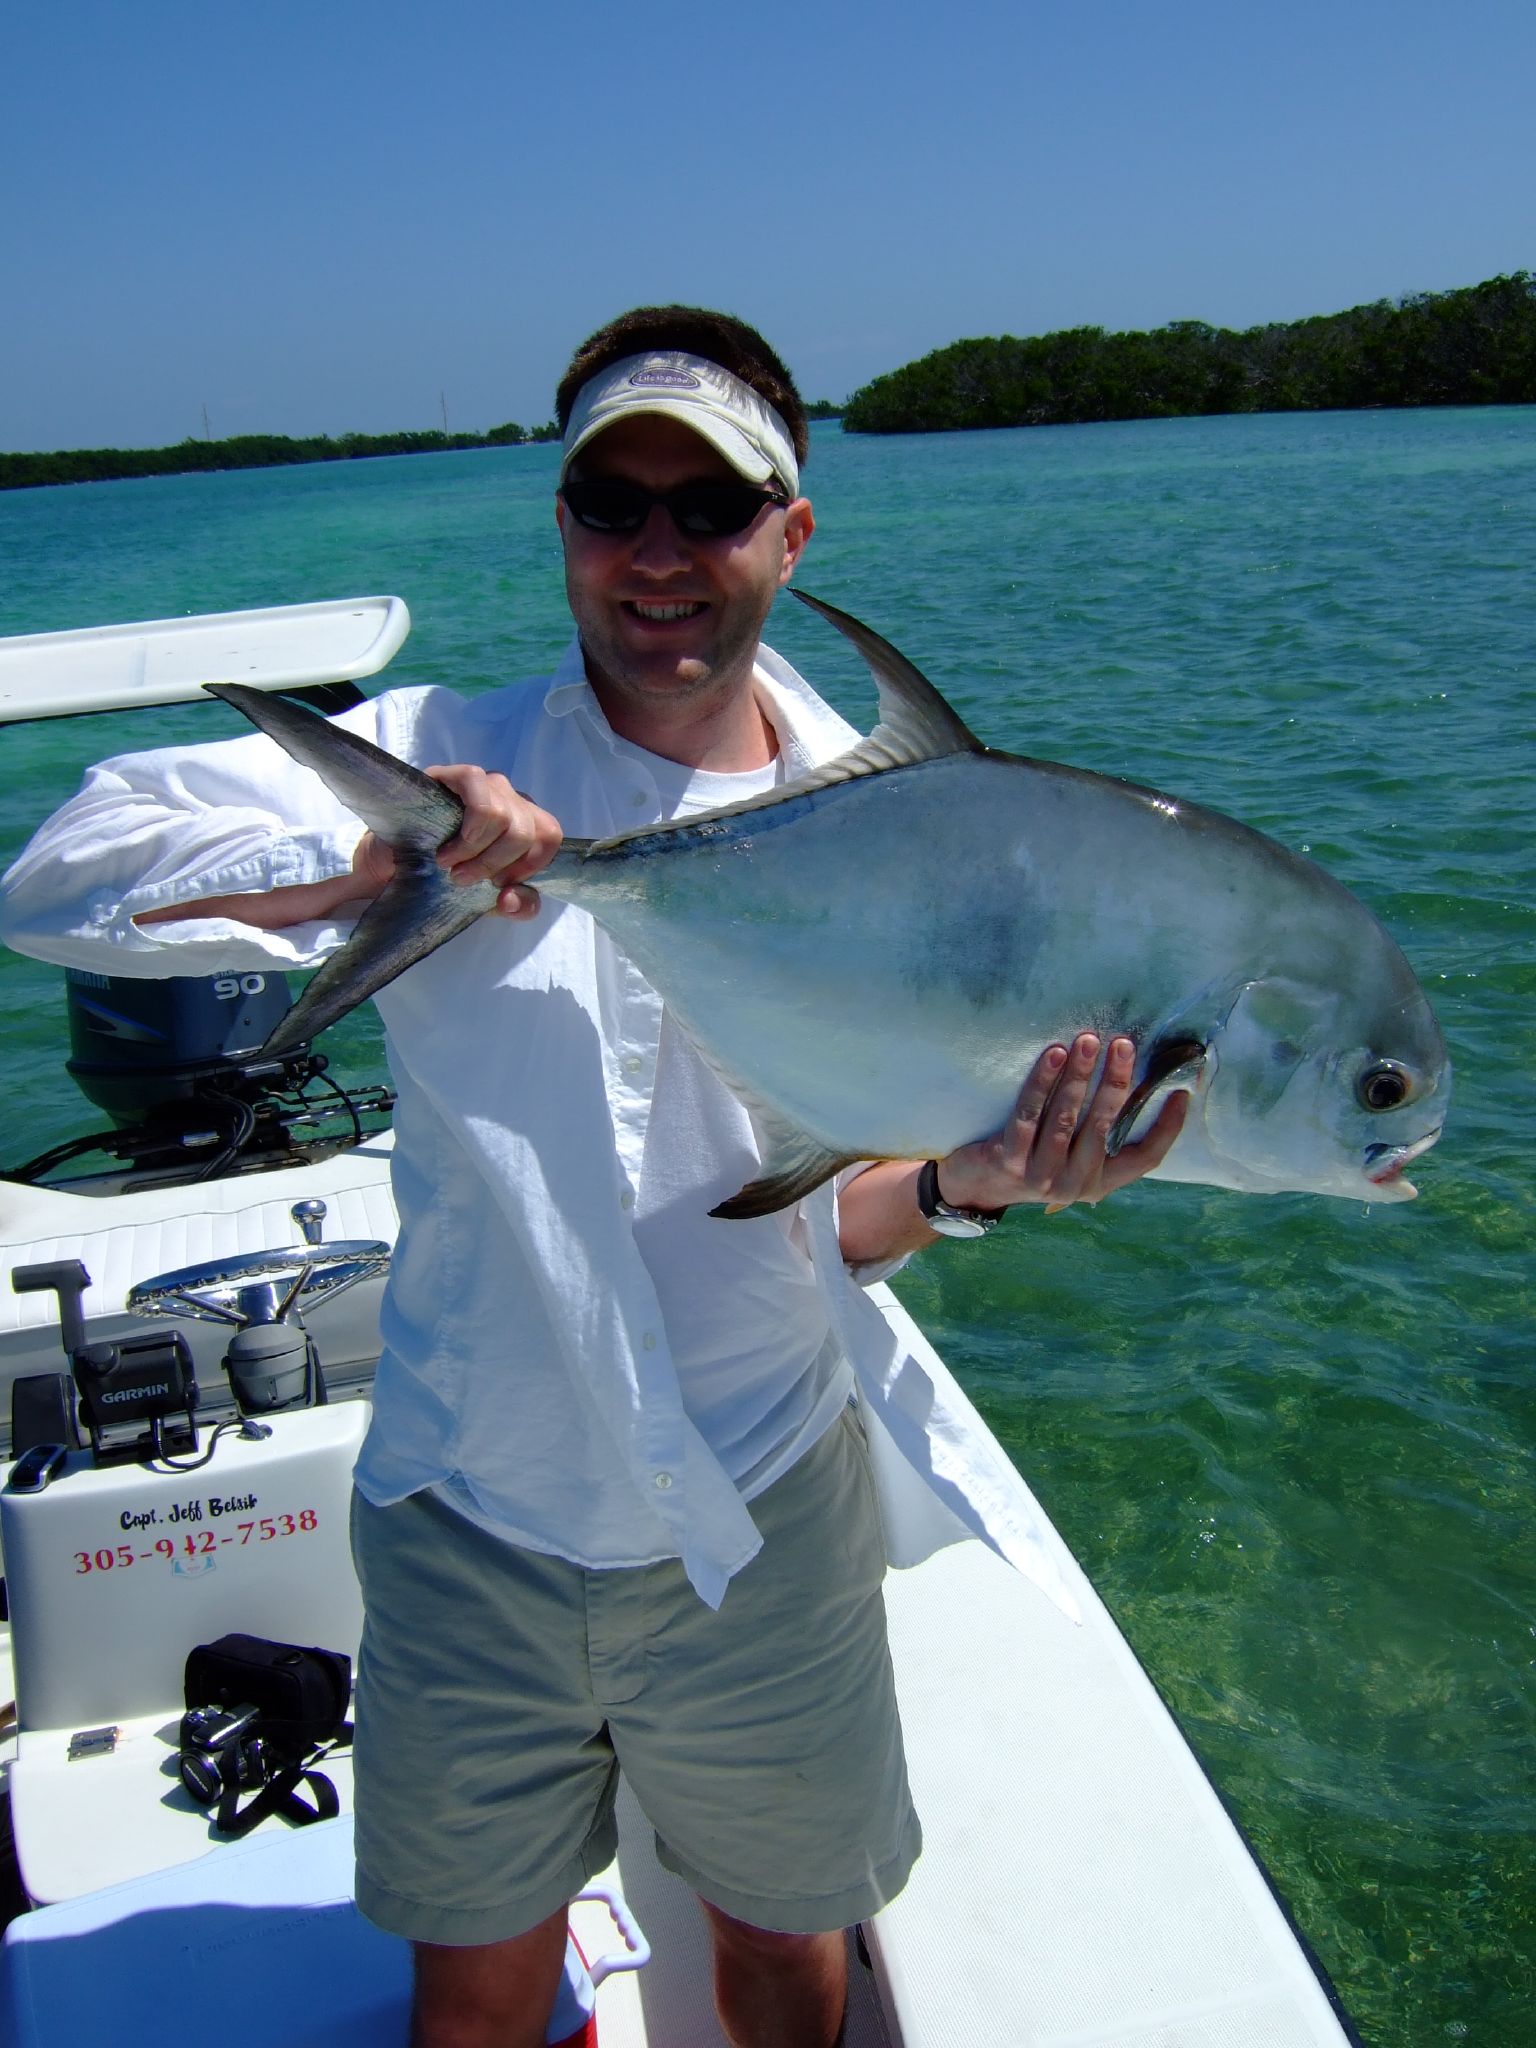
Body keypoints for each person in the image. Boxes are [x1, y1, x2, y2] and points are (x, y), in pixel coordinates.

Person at [0, 305, 1187, 2048]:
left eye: (709, 509)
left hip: (764, 1510)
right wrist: (358, 850)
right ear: (557, 525)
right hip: (477, 1511)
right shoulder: (431, 747)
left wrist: (972, 1183)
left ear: (792, 533)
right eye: (608, 504)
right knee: (476, 1998)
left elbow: (809, 1224)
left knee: (790, 1959)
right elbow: (56, 872)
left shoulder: (920, 852)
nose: (656, 554)